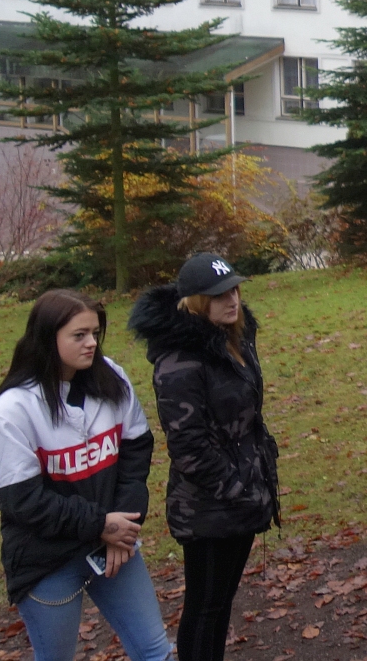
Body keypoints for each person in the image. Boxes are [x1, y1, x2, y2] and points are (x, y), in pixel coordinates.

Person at [0, 290, 172, 661]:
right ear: (47, 338)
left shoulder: (111, 378)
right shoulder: (11, 411)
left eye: (95, 333)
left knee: (155, 652)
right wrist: (102, 524)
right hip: (47, 559)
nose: (92, 343)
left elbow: (136, 455)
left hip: (112, 546)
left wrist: (122, 528)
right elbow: (25, 503)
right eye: (79, 335)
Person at [128, 253, 281, 661]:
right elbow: (188, 446)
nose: (232, 300)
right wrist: (238, 489)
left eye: (234, 290)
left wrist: (256, 481)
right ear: (195, 302)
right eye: (219, 295)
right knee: (205, 606)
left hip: (244, 493)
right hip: (207, 507)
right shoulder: (178, 362)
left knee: (222, 602)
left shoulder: (235, 339)